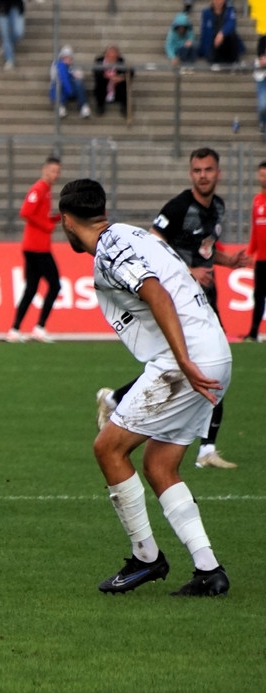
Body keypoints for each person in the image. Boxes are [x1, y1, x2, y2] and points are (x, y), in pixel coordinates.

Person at [58, 178, 231, 597]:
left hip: (187, 360)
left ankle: (146, 557)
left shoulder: (110, 250)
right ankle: (209, 570)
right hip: (216, 352)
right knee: (159, 466)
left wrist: (184, 361)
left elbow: (157, 295)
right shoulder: (129, 233)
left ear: (66, 221)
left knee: (108, 448)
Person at [96, 148, 250, 470]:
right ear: (190, 173)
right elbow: (152, 246)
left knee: (210, 366)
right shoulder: (178, 207)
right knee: (191, 365)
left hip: (205, 299)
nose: (203, 175)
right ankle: (202, 447)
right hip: (178, 299)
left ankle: (203, 446)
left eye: (208, 169)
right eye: (197, 170)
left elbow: (205, 249)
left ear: (218, 173)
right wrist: (190, 271)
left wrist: (227, 260)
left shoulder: (217, 207)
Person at [6, 156, 62, 343]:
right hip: (38, 248)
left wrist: (56, 218)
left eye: (57, 171)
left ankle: (15, 329)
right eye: (52, 171)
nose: (55, 175)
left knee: (31, 288)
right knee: (55, 285)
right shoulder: (39, 189)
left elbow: (40, 215)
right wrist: (47, 225)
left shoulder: (46, 190)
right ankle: (40, 327)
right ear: (44, 170)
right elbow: (26, 212)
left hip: (34, 247)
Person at [244, 160, 266, 342]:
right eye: (262, 174)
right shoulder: (257, 200)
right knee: (258, 295)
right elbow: (255, 230)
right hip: (261, 259)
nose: (263, 178)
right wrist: (250, 253)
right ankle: (253, 333)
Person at [198, 0, 245, 66]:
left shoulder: (230, 10)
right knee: (212, 40)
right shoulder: (206, 12)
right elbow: (205, 32)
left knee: (232, 34)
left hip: (226, 40)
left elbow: (231, 23)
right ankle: (214, 60)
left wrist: (222, 33)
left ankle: (234, 61)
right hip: (213, 42)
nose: (218, 1)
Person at [92, 45, 133, 118]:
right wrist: (109, 77)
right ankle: (100, 106)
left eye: (114, 57)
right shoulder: (99, 60)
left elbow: (131, 72)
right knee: (100, 82)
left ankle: (125, 107)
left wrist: (120, 78)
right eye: (110, 57)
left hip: (116, 88)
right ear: (106, 55)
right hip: (104, 86)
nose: (112, 59)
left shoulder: (120, 61)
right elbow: (96, 73)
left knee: (124, 83)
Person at [50, 45, 90, 118]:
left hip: (72, 90)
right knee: (57, 84)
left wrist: (74, 75)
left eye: (69, 57)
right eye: (65, 57)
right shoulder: (56, 65)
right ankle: (60, 106)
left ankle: (83, 107)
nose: (67, 59)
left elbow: (80, 76)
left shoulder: (73, 67)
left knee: (78, 83)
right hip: (62, 90)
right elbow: (54, 78)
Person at [0, 0, 24, 71]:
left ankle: (5, 46)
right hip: (2, 8)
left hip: (17, 6)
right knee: (5, 35)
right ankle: (9, 60)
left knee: (18, 32)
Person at [255, 34, 266, 136]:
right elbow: (260, 60)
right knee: (263, 105)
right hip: (262, 77)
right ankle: (262, 121)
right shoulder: (263, 40)